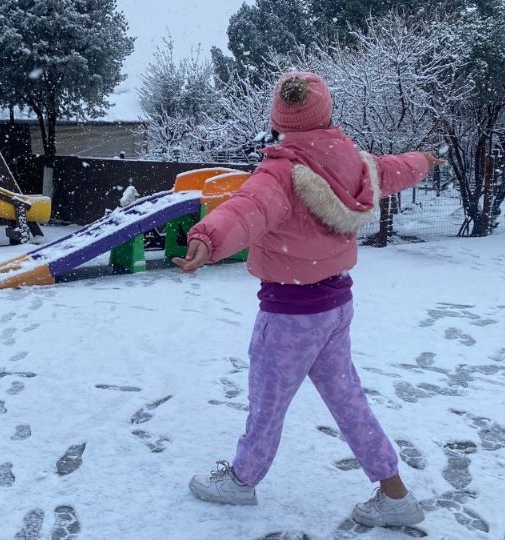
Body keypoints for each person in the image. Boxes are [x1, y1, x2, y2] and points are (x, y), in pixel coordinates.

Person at [173, 72, 445, 528]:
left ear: (278, 118)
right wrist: (426, 160)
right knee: (348, 400)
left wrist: (207, 236)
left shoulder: (280, 171)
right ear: (327, 111)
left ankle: (241, 479)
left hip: (290, 314)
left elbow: (248, 207)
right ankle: (394, 494)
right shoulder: (351, 161)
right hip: (335, 306)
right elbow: (394, 169)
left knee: (266, 403)